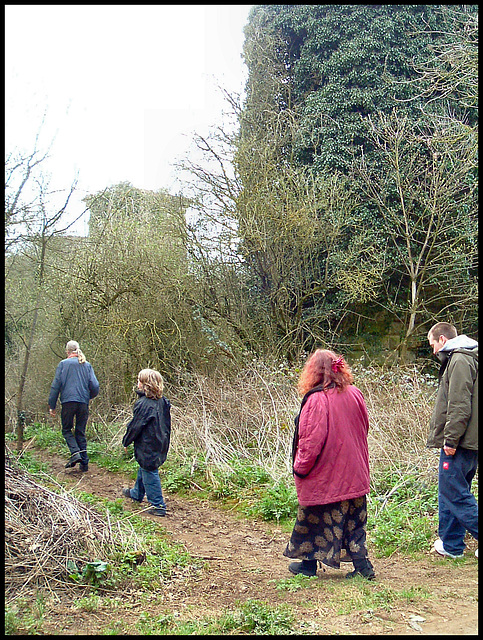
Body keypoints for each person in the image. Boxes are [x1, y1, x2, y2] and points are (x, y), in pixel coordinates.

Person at [284, 349, 375, 579]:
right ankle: (363, 568)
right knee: (354, 522)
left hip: (326, 474)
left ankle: (307, 567)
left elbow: (310, 442)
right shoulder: (355, 393)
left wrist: (300, 468)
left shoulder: (317, 399)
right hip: (355, 471)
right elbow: (364, 428)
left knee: (313, 518)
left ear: (313, 371)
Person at [427, 322, 478, 559]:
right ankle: (452, 545)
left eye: (433, 345)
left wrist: (451, 440)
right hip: (467, 440)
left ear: (443, 340)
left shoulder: (459, 360)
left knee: (455, 493)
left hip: (460, 442)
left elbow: (459, 405)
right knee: (452, 491)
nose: (433, 352)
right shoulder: (467, 357)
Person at [122, 368, 171, 517]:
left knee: (149, 469)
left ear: (145, 385)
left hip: (149, 443)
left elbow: (135, 426)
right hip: (161, 441)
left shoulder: (143, 404)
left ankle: (158, 505)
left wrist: (126, 441)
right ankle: (136, 493)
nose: (137, 383)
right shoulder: (163, 401)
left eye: (139, 380)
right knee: (145, 466)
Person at [49, 340, 99, 472]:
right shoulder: (87, 365)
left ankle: (75, 453)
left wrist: (52, 405)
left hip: (68, 402)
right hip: (83, 402)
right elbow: (95, 386)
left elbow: (55, 386)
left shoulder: (63, 364)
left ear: (67, 352)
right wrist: (88, 397)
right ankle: (84, 463)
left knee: (66, 429)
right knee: (80, 431)